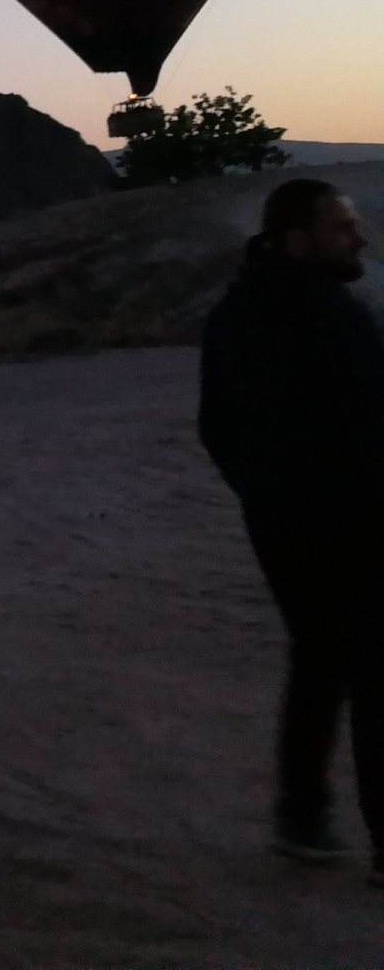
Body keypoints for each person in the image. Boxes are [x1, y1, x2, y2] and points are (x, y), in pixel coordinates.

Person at [198, 179, 378, 877]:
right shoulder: (336, 317)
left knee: (319, 658)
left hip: (279, 523)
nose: (357, 237)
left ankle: (301, 818)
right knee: (367, 668)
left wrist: (265, 495)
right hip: (354, 521)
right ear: (298, 238)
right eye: (341, 227)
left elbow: (215, 427)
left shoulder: (231, 314)